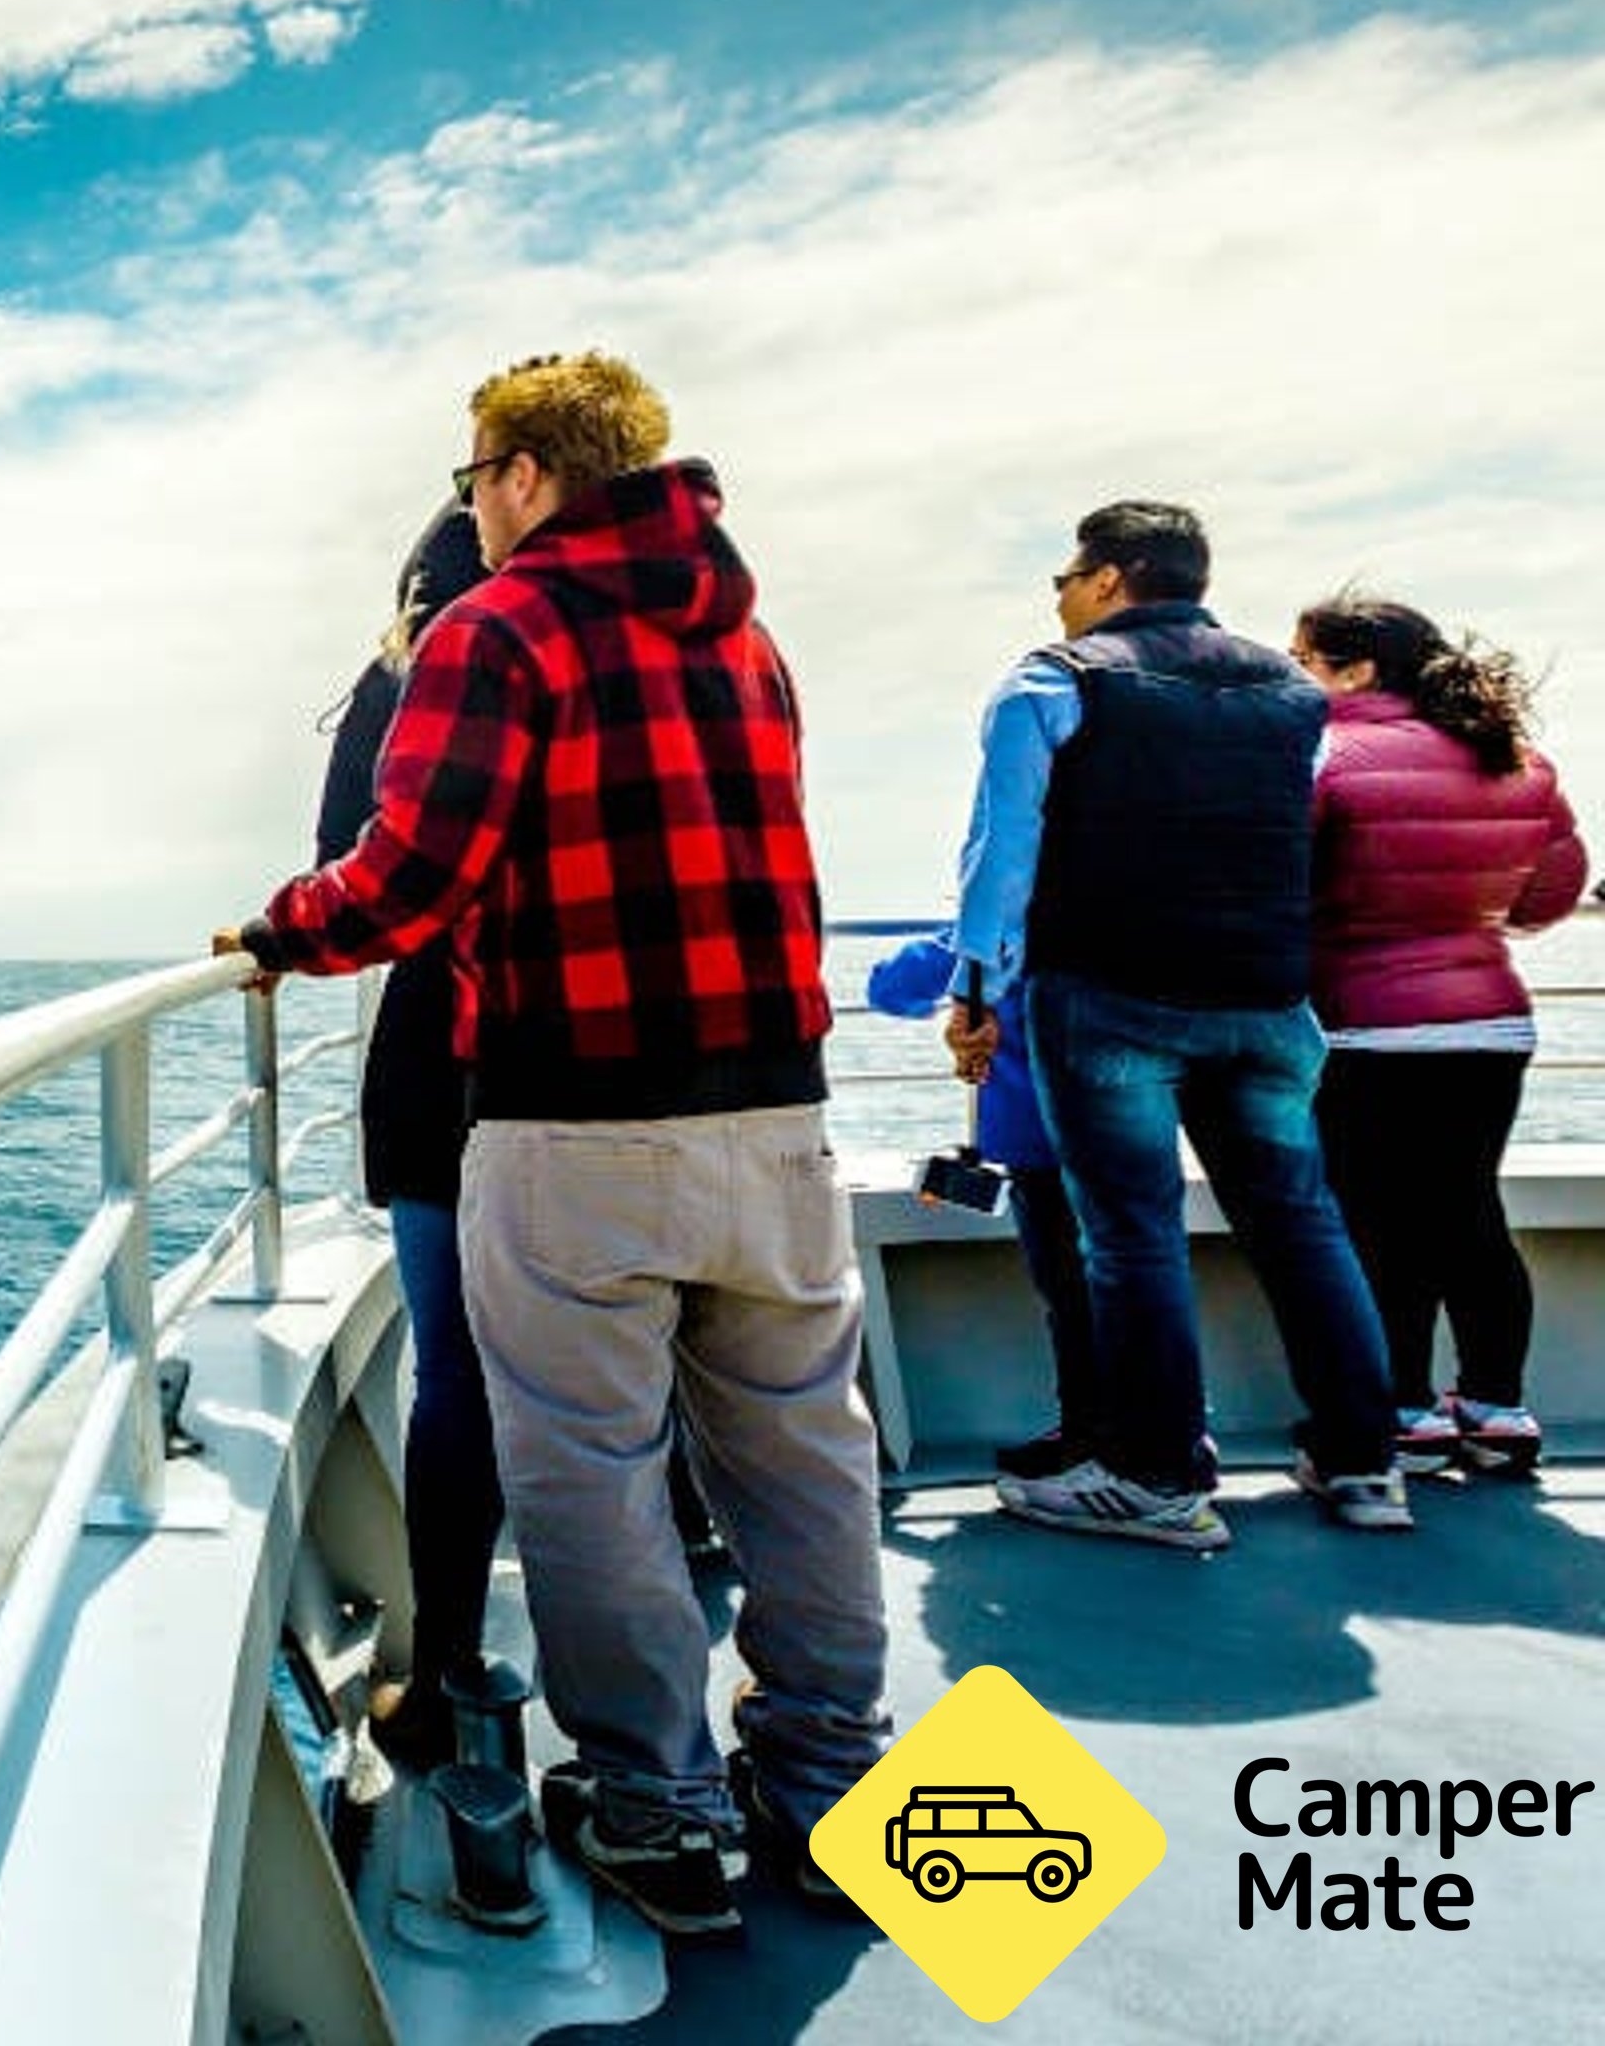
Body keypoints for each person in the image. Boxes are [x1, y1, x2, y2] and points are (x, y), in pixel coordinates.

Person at [220, 352, 887, 1940]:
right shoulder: (749, 634)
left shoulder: (498, 626)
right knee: (804, 1454)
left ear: (522, 474)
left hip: (580, 1119)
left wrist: (271, 930)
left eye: (475, 478)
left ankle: (658, 1812)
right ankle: (830, 1789)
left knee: (588, 1474)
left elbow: (405, 878)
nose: (475, 505)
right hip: (780, 1113)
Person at [944, 502, 1408, 1549]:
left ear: (1111, 577)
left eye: (1067, 573)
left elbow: (999, 858)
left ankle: (1155, 1477)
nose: (1058, 594)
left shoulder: (1049, 681)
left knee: (1129, 1236)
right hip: (1264, 999)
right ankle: (1363, 1459)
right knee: (1301, 1223)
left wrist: (975, 991)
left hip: (1109, 997)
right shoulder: (1291, 693)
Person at [1294, 594, 1588, 1474]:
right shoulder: (1517, 758)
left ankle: (1406, 1413)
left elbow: (1284, 889)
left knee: (1378, 1225)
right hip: (1492, 1024)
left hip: (1363, 1029)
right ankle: (1499, 1410)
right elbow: (1545, 898)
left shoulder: (1320, 757)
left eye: (1303, 661)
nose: (1291, 677)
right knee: (1469, 1214)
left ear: (1356, 670)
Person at [314, 509, 507, 1768]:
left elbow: (350, 869)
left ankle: (445, 1671)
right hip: (669, 1053)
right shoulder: (693, 644)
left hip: (449, 1049)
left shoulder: (412, 669)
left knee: (459, 1372)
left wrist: (283, 934)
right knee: (646, 1356)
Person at [864, 929, 1099, 1475]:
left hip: (1038, 1143)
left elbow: (890, 988)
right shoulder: (1110, 914)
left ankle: (1087, 1434)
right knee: (1132, 1287)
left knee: (1070, 1296)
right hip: (1128, 1131)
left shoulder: (992, 933)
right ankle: (1159, 1428)